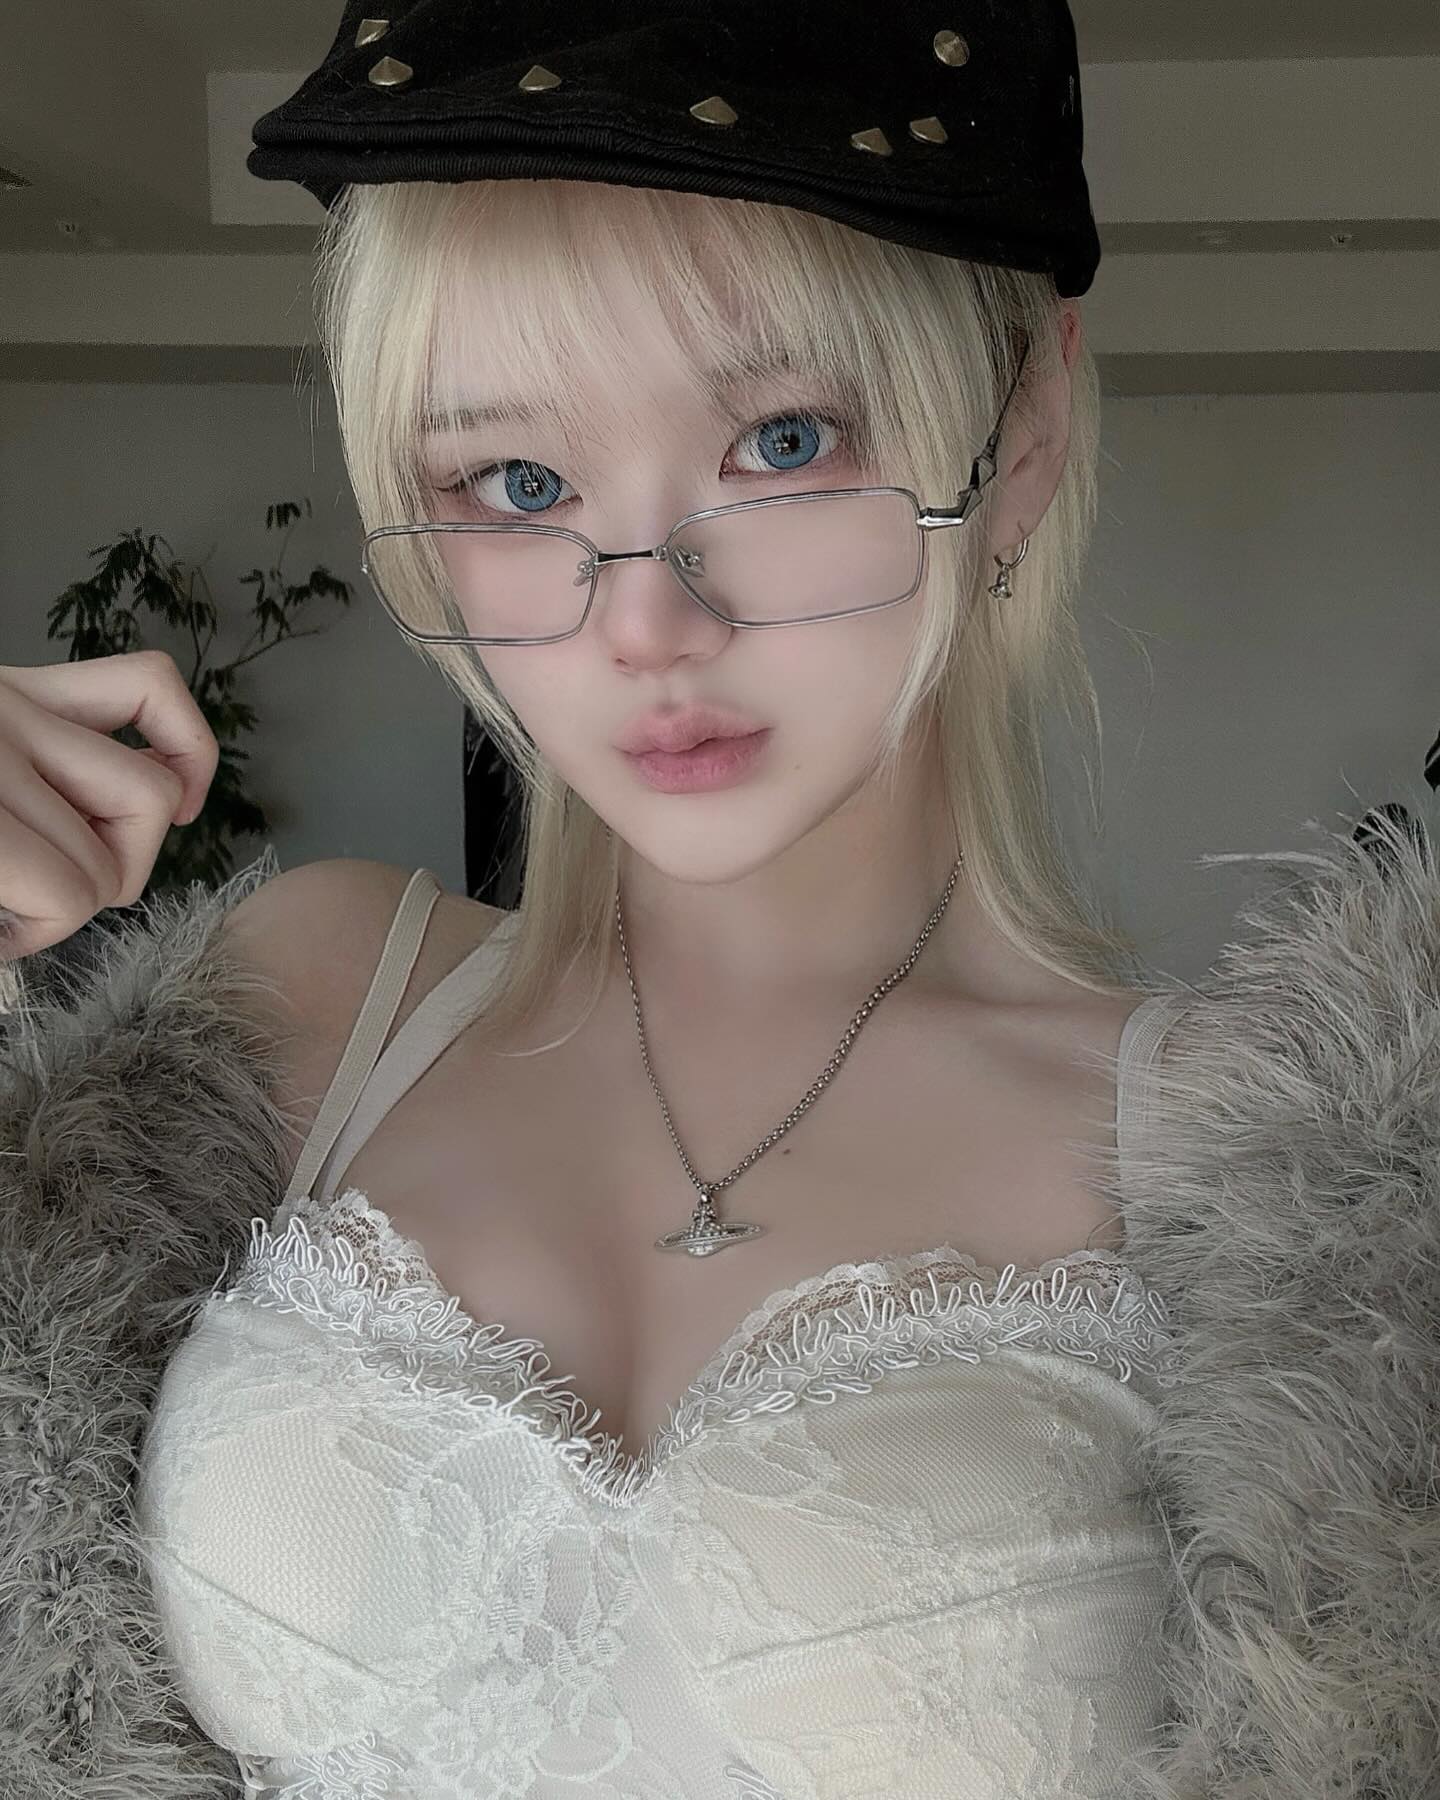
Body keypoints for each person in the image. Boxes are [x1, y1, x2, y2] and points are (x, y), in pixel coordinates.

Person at [2, 4, 1437, 1797]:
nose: (645, 622)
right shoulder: (307, 1001)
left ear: (1024, 433)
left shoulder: (1282, 1175)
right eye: (519, 483)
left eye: (781, 441)